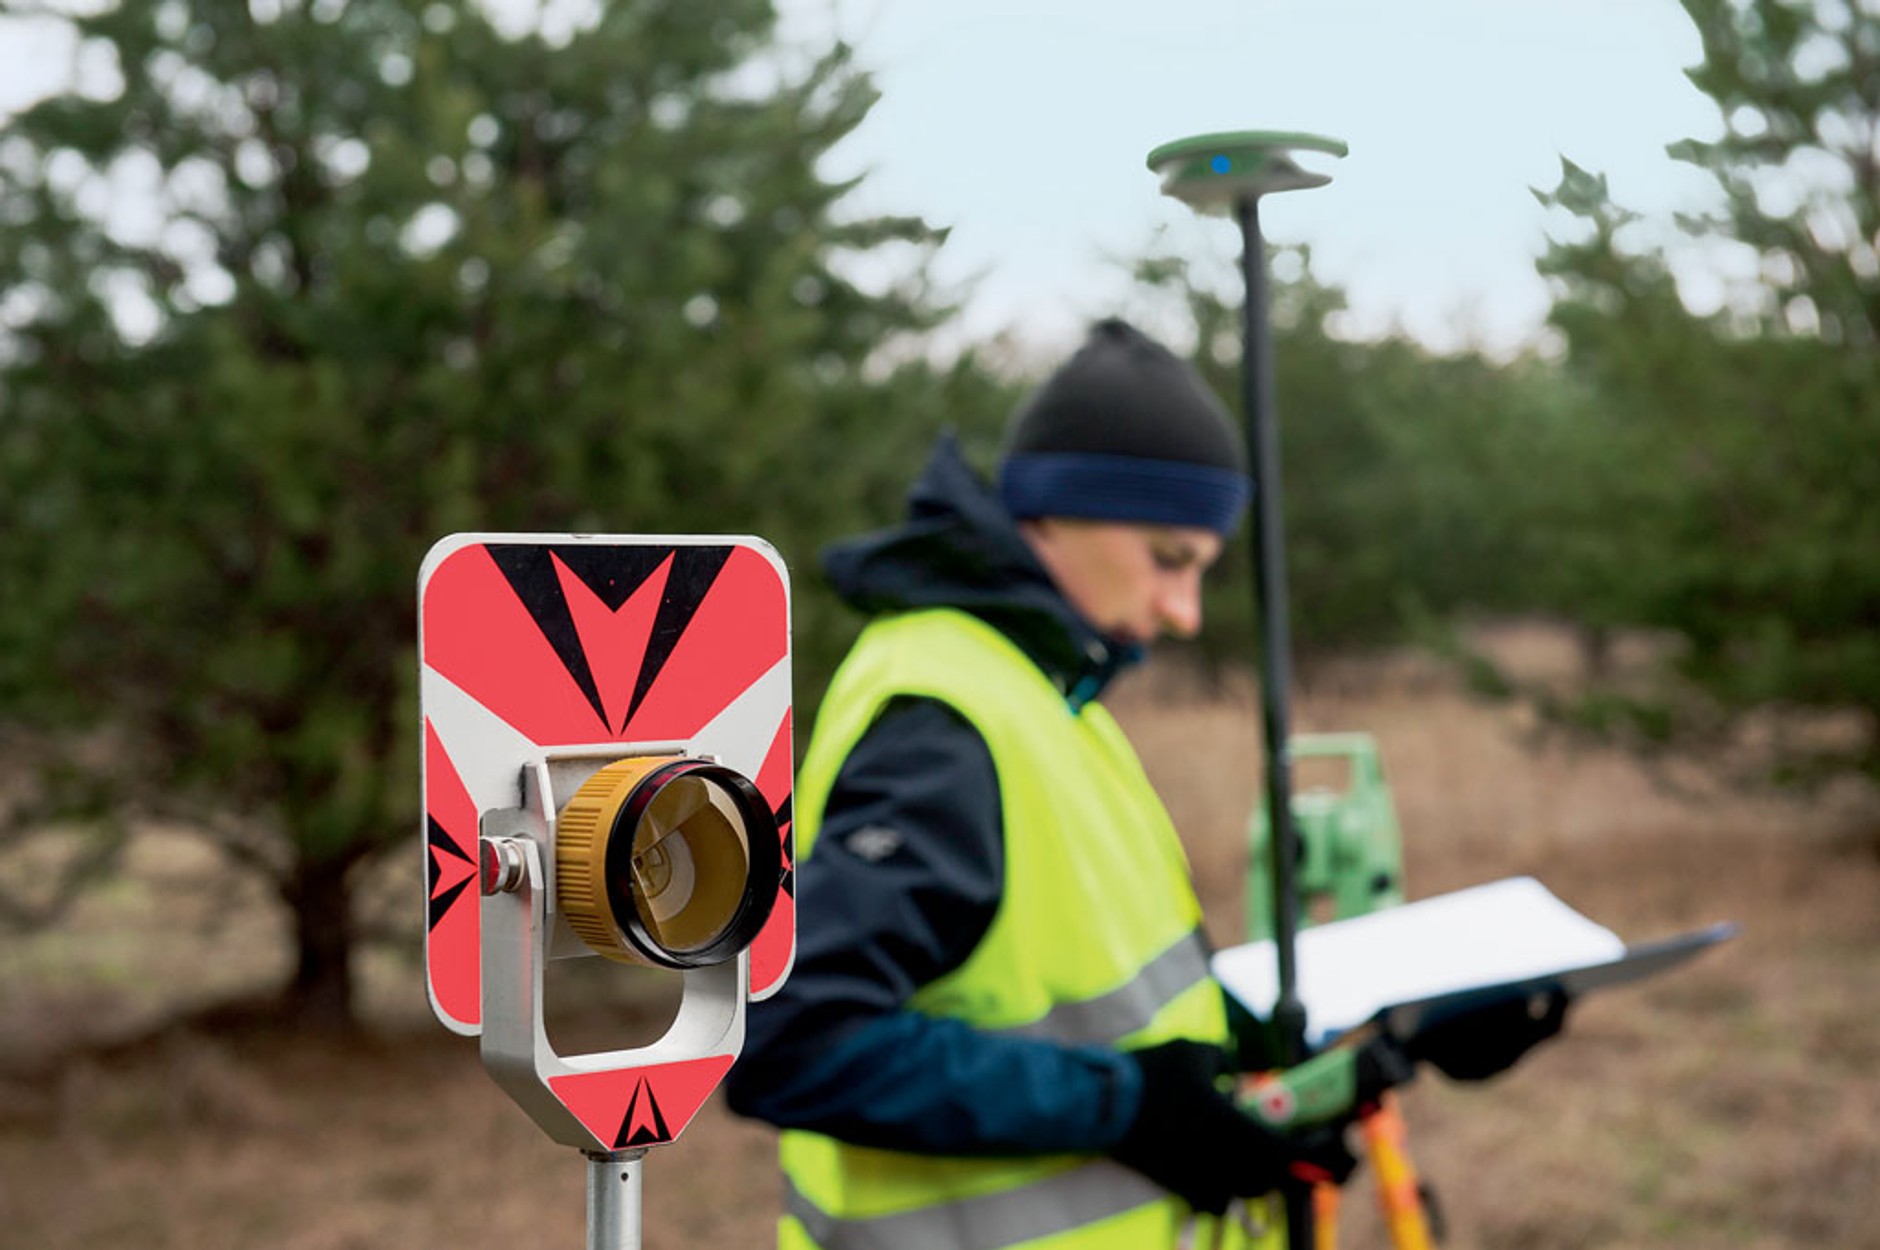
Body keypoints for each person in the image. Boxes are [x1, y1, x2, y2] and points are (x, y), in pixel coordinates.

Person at [725, 318, 1561, 1250]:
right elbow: (791, 1044)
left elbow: (1128, 1010)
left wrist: (1386, 1044)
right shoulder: (949, 720)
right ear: (1049, 514)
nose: (1185, 612)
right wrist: (1131, 1109)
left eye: (1202, 571)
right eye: (1170, 560)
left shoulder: (1052, 698)